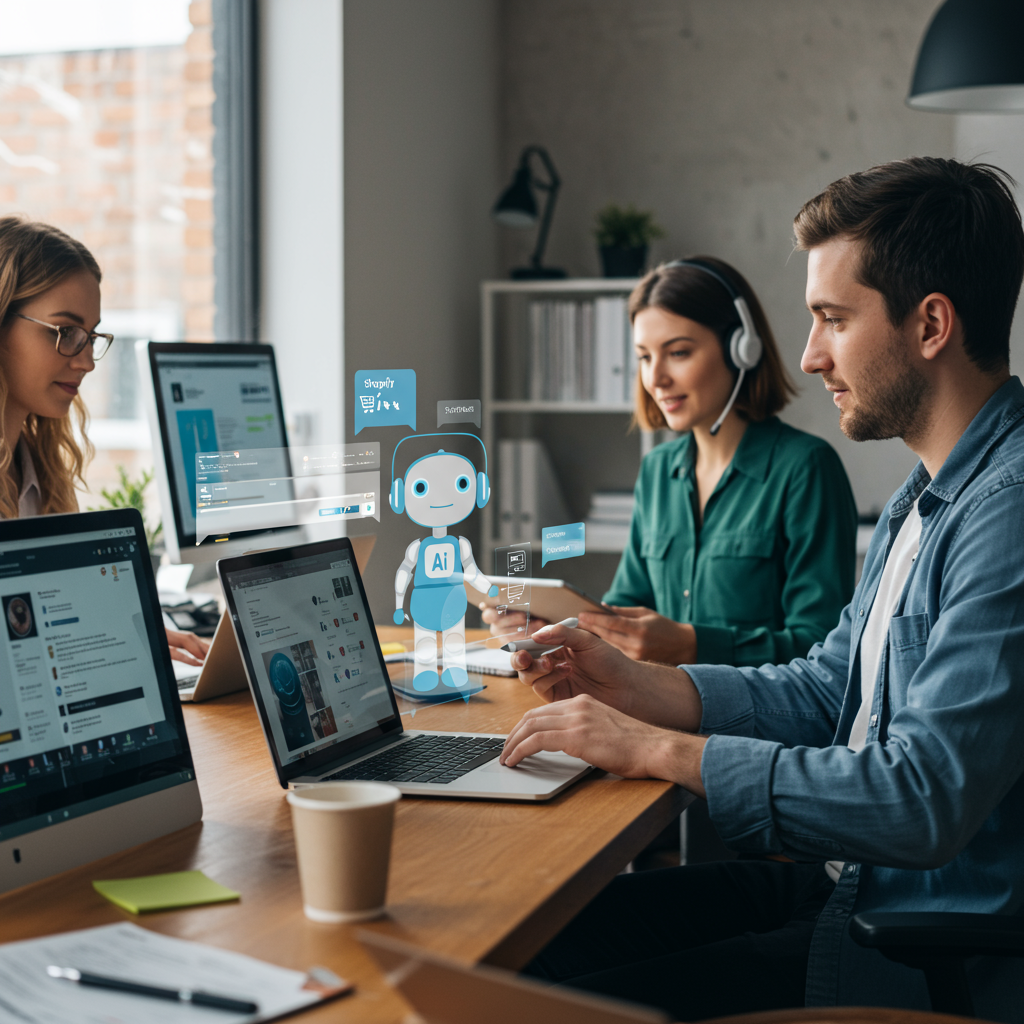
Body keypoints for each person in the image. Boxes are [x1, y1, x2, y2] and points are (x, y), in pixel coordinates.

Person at [500, 157, 1024, 1022]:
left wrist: (658, 748)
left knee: (544, 1005)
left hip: (911, 939)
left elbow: (921, 799)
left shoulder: (1005, 515)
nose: (812, 353)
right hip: (845, 890)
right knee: (530, 941)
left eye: (832, 319)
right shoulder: (920, 498)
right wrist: (641, 687)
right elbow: (829, 689)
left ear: (930, 324)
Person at [484, 258, 857, 667]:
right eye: (644, 357)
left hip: (756, 724)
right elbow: (624, 610)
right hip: (655, 712)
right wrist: (549, 629)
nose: (655, 377)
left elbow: (823, 648)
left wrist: (693, 644)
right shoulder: (658, 470)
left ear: (741, 351)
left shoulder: (805, 468)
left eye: (678, 352)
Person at [0, 215, 208, 667]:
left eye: (91, 337)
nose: (87, 362)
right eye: (66, 333)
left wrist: (124, 628)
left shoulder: (37, 473)